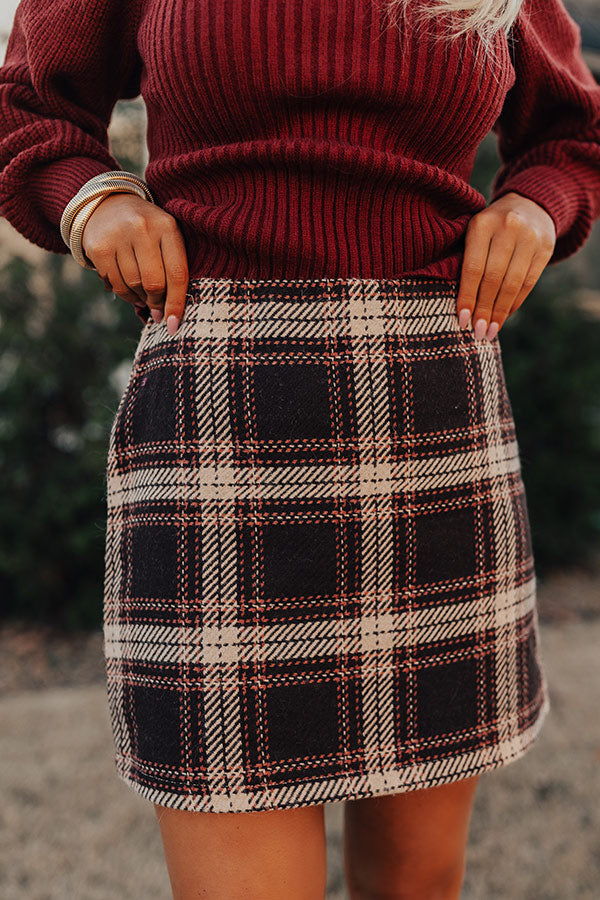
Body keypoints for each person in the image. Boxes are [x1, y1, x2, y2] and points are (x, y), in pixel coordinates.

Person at [1, 0, 599, 897]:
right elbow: (26, 108)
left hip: (431, 427)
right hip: (216, 432)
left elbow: (576, 134)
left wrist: (537, 206)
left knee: (416, 889)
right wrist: (93, 199)